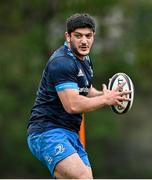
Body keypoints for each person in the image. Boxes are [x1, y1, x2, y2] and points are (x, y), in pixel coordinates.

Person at [27, 13, 131, 179]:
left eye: (88, 36)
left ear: (93, 36)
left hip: (69, 133)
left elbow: (85, 90)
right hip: (47, 132)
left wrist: (106, 94)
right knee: (82, 177)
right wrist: (105, 100)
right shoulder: (61, 62)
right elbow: (73, 105)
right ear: (68, 36)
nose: (84, 41)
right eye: (78, 36)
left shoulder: (84, 59)